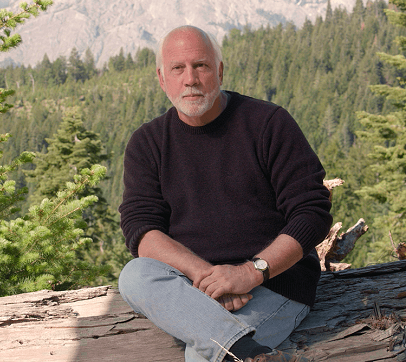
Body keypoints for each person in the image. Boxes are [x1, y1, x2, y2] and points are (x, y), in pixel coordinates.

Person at [118, 25, 332, 362]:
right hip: (194, 286)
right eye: (178, 68)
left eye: (201, 66)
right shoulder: (148, 143)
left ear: (219, 71)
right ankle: (247, 352)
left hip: (275, 283)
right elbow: (141, 230)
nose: (190, 78)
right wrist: (209, 279)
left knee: (202, 357)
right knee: (134, 276)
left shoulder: (268, 124)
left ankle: (237, 350)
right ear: (162, 78)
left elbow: (311, 213)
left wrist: (248, 273)